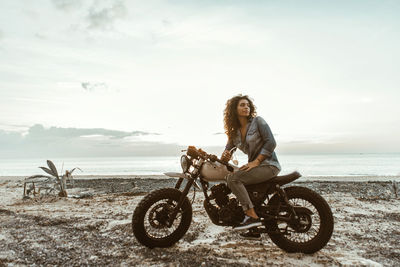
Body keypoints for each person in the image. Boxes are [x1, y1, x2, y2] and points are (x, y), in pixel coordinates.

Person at [221, 94, 281, 237]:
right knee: (235, 179)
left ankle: (252, 216)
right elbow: (228, 148)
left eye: (247, 105)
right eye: (242, 105)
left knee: (234, 179)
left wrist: (256, 161)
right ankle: (253, 229)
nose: (246, 107)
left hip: (268, 165)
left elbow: (271, 143)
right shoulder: (234, 133)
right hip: (256, 167)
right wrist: (225, 155)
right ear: (234, 109)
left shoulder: (258, 122)